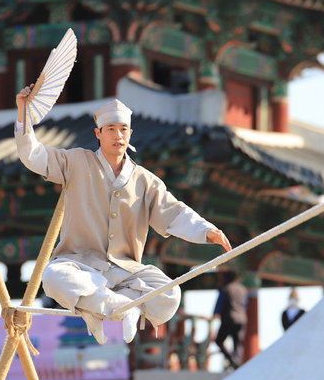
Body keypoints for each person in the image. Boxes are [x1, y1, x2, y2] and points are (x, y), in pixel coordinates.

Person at [15, 86, 232, 344]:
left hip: (125, 271)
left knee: (170, 295)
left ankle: (98, 307)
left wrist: (207, 230)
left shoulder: (145, 180)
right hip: (81, 265)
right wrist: (23, 113)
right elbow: (33, 155)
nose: (118, 135)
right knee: (52, 277)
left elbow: (174, 212)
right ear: (98, 133)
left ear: (130, 133)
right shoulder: (75, 162)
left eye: (123, 129)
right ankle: (118, 307)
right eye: (110, 129)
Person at [212, 270, 247, 369]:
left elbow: (219, 304)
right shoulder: (243, 289)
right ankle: (237, 362)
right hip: (241, 319)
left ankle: (231, 359)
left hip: (229, 318)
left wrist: (215, 314)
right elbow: (245, 305)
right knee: (237, 342)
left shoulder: (226, 288)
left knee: (219, 341)